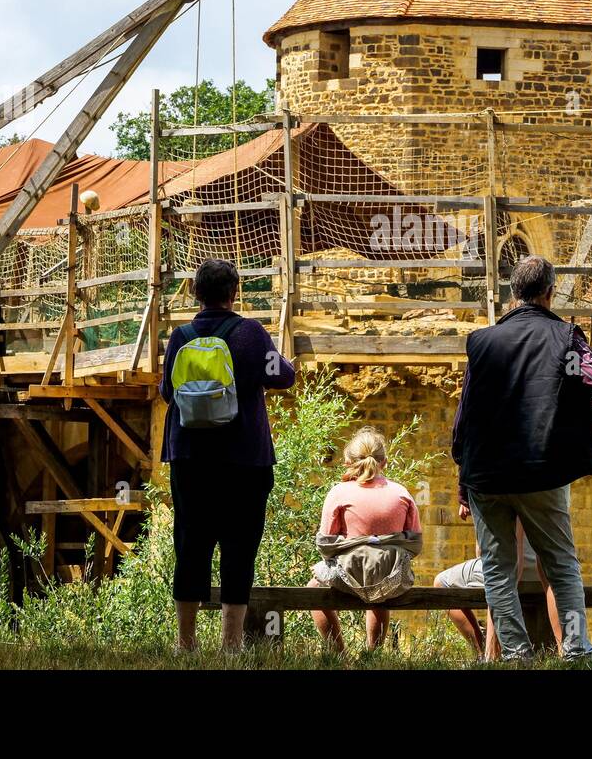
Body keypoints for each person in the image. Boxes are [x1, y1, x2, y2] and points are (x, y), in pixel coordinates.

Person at [452, 255, 592, 661]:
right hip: (542, 471)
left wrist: (463, 483)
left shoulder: (482, 342)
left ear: (513, 294)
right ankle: (576, 650)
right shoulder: (567, 338)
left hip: (486, 475)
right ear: (550, 292)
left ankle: (515, 655)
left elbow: (465, 420)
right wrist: (573, 426)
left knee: (497, 570)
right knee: (562, 565)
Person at [160, 259, 296, 653]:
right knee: (239, 545)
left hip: (190, 459)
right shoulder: (251, 333)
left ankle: (185, 643)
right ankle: (231, 644)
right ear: (235, 292)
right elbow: (281, 377)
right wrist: (285, 363)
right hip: (244, 461)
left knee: (190, 544)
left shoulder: (180, 337)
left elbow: (168, 393)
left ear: (196, 293)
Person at [309, 427, 422, 653]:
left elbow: (325, 543)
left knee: (313, 590)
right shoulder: (401, 493)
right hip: (392, 574)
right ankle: (373, 655)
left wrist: (355, 546)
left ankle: (339, 654)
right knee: (379, 587)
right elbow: (415, 542)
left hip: (350, 571)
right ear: (385, 462)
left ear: (348, 462)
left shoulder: (339, 492)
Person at [434, 511, 561, 659]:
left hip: (511, 568)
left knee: (441, 582)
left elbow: (483, 553)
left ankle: (483, 651)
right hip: (544, 572)